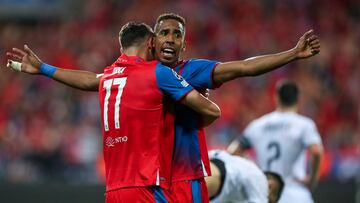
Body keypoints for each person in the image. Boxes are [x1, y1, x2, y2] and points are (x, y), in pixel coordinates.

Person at [7, 13, 320, 202]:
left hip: (184, 178)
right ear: (152, 41)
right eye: (164, 32)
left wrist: (291, 53)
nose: (171, 38)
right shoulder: (136, 75)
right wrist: (45, 69)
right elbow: (93, 80)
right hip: (149, 182)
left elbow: (242, 67)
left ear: (184, 44)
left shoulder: (191, 70)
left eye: (178, 34)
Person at [8, 22, 221, 202]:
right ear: (150, 43)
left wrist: (44, 68)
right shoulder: (157, 72)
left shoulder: (109, 77)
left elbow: (88, 80)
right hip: (146, 185)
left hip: (113, 189)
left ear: (122, 50)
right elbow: (212, 110)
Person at [227, 80, 323, 203]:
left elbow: (233, 151)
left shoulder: (257, 125)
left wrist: (252, 167)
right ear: (298, 99)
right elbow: (316, 151)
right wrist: (312, 179)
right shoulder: (304, 124)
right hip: (295, 193)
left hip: (265, 193)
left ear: (276, 98)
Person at [206, 150, 284, 203]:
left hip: (208, 166)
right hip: (216, 178)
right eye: (268, 200)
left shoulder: (239, 162)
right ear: (270, 186)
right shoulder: (261, 180)